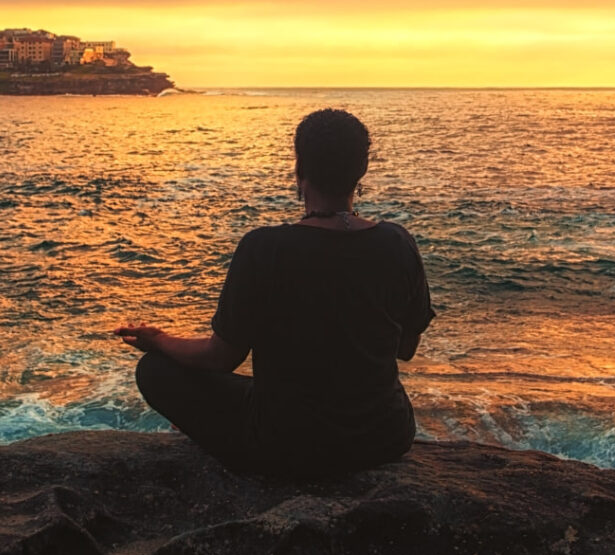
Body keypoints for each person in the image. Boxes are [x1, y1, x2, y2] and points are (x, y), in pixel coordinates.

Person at [114, 108, 434, 478]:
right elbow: (405, 349)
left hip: (285, 445)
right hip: (385, 437)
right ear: (360, 171)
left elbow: (220, 358)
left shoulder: (264, 248)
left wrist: (161, 340)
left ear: (300, 169)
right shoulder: (397, 242)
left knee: (154, 371)